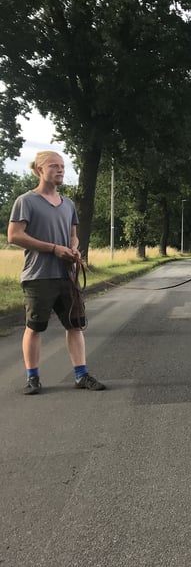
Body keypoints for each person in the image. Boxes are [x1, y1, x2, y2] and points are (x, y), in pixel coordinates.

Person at [7, 150, 105, 395]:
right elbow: (14, 235)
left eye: (62, 166)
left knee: (75, 325)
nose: (60, 170)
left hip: (67, 277)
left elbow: (73, 237)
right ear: (40, 170)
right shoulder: (26, 201)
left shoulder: (68, 204)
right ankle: (33, 378)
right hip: (38, 276)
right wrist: (53, 249)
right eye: (54, 166)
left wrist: (73, 250)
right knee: (35, 327)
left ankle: (81, 374)